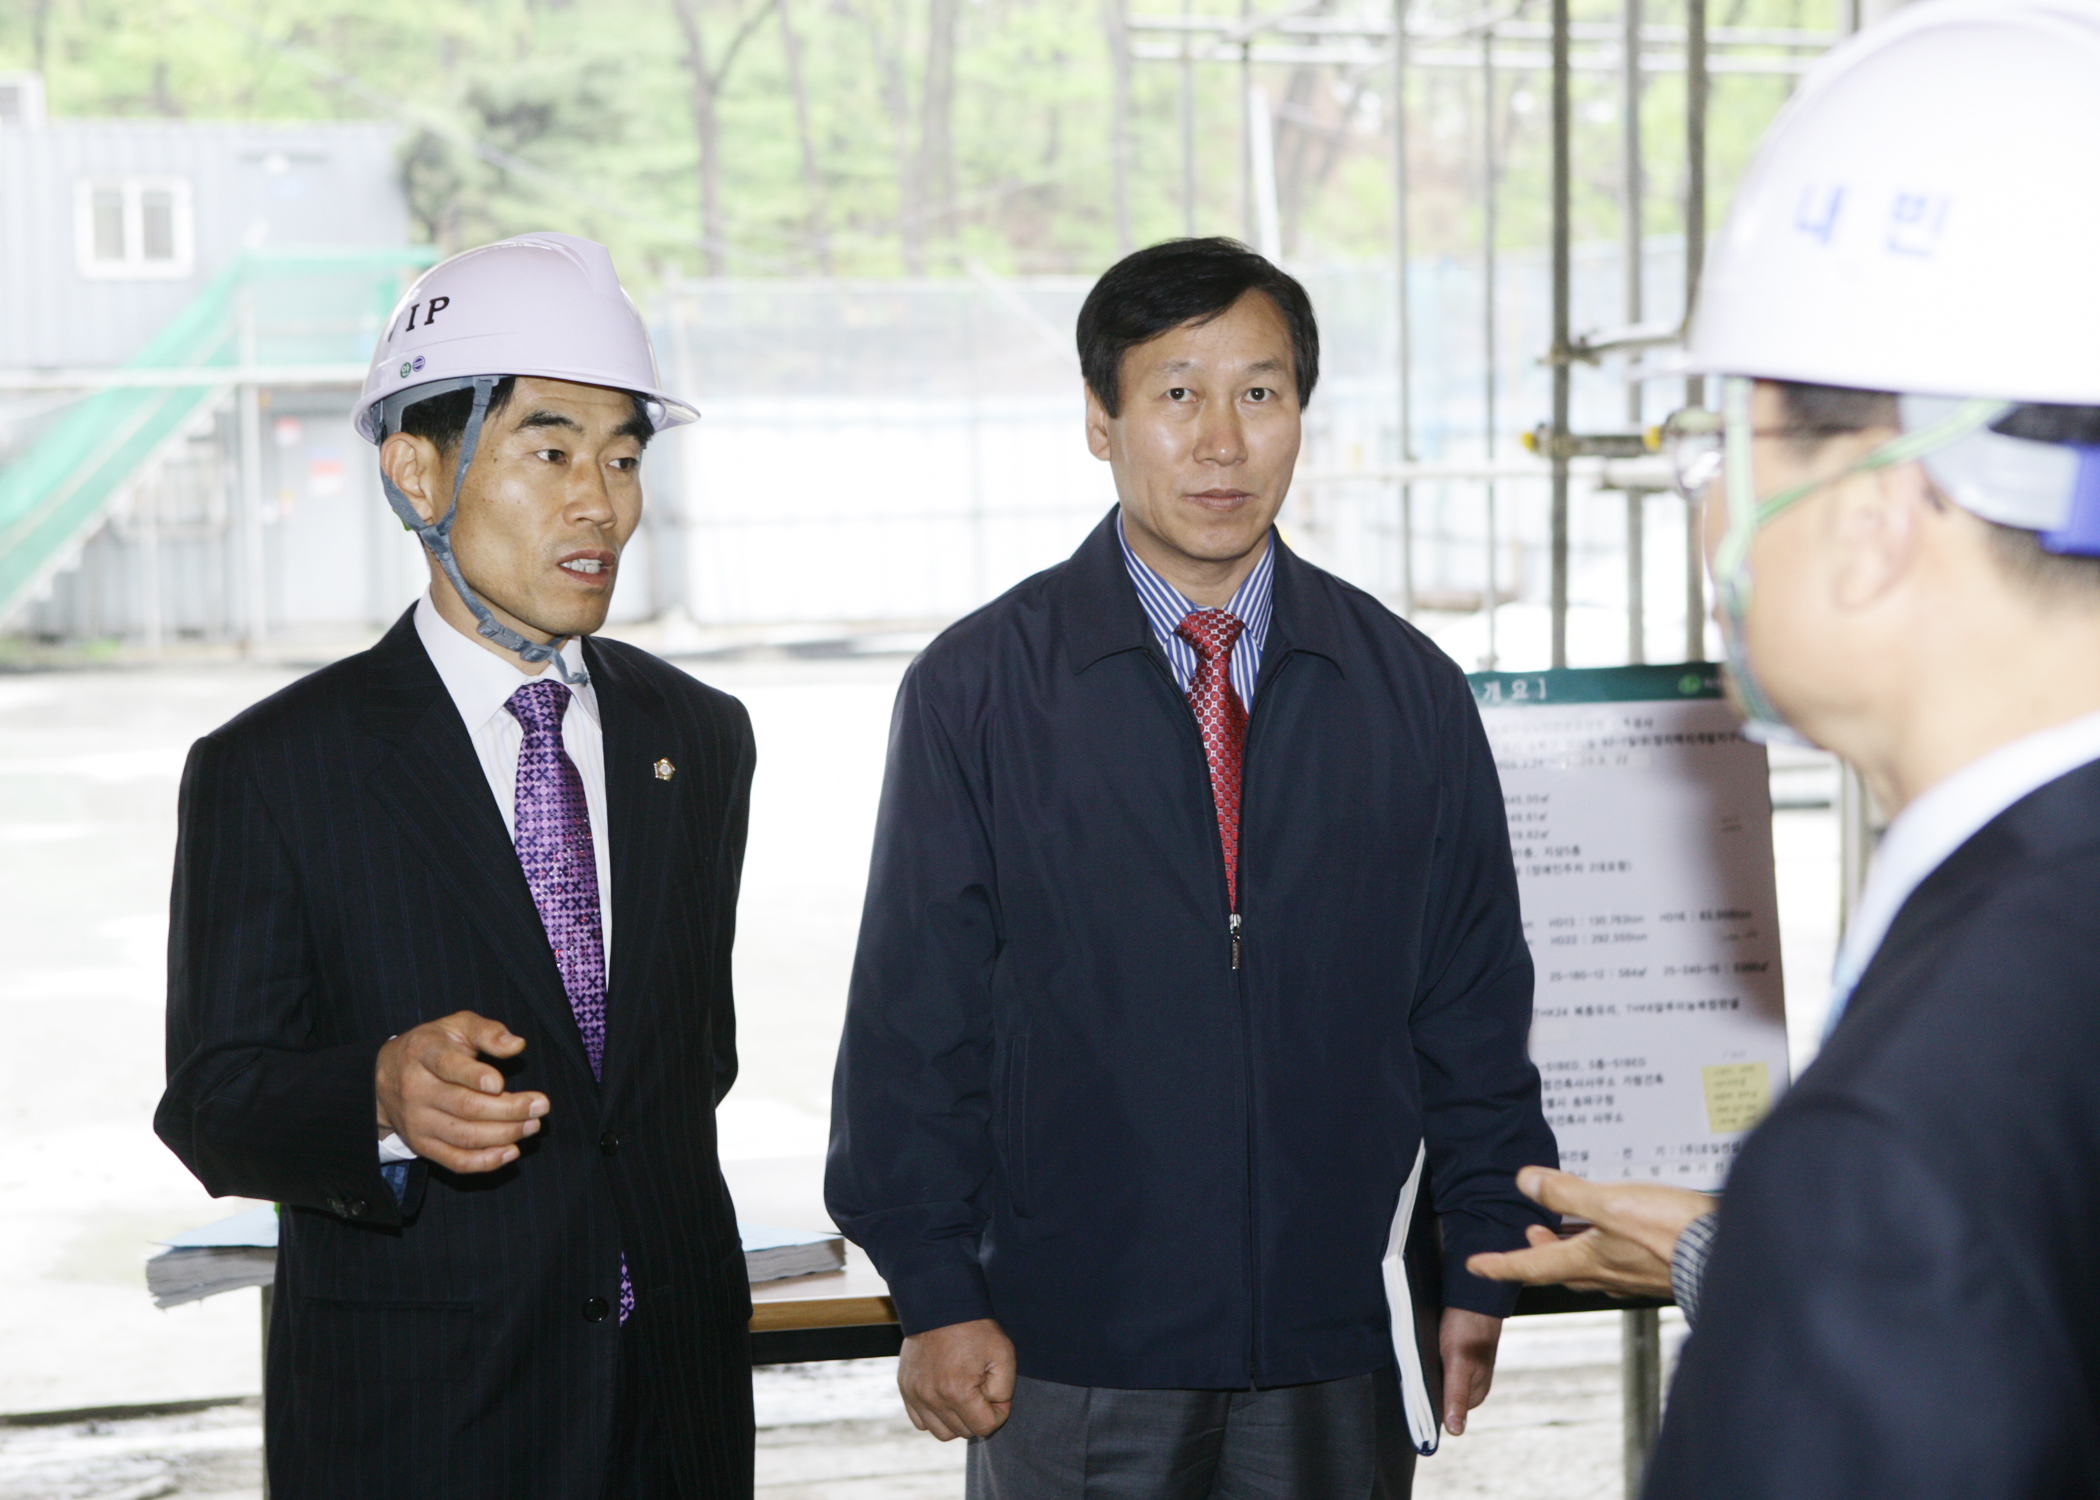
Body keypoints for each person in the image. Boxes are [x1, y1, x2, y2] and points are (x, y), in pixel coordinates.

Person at [1467, 3, 2100, 1492]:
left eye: (1727, 443)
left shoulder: (1895, 1143)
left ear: (1878, 515)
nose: (1709, 513)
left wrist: (1814, 1243)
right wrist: (1731, 1253)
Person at [826, 237, 1558, 1499]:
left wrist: (1479, 1252)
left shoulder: (1407, 691)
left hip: (1338, 1341)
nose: (1222, 441)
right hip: (1067, 1346)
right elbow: (913, 1020)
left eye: (1260, 394)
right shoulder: (982, 688)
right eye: (1177, 393)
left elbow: (1473, 1005)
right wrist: (936, 1290)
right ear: (1101, 423)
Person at [154, 232, 756, 1499]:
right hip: (427, 1423)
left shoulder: (696, 739)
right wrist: (375, 1093)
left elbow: (689, 1060)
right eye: (550, 451)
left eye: (625, 454)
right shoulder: (275, 769)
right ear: (415, 468)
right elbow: (212, 1098)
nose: (602, 500)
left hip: (678, 1416)